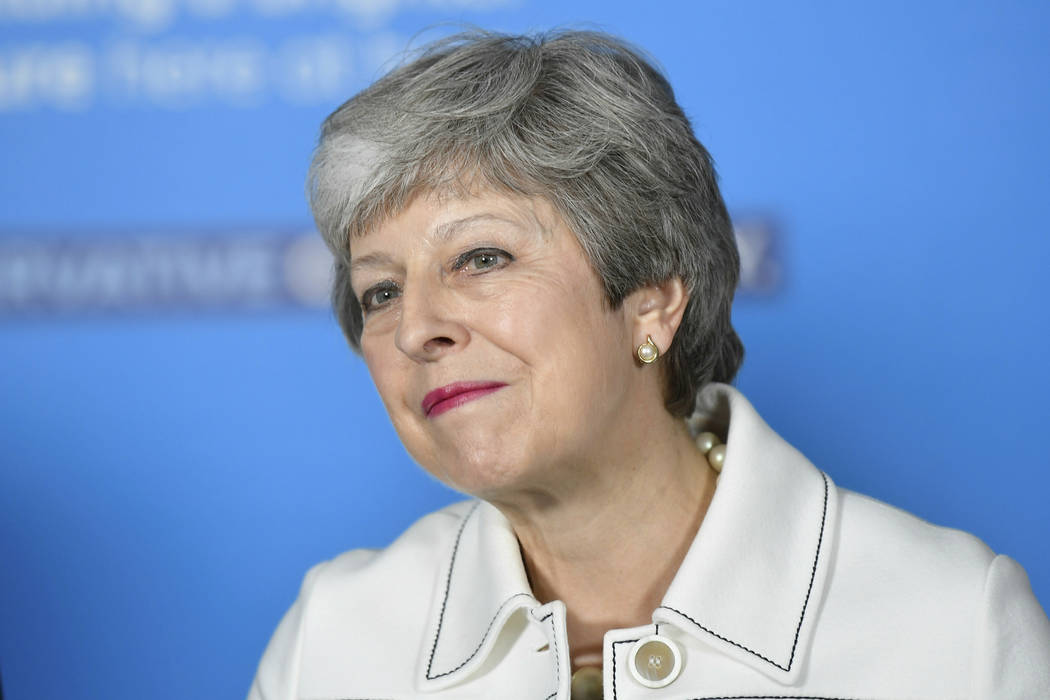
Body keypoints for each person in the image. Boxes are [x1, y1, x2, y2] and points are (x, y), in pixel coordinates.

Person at [248, 29, 1050, 699]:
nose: (416, 326)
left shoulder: (954, 626)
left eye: (482, 256)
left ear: (653, 303)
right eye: (381, 291)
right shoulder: (335, 640)